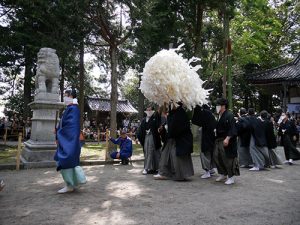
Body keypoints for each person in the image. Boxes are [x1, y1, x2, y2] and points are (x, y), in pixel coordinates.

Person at [54, 89, 87, 194]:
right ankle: (73, 183)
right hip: (67, 140)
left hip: (69, 141)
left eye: (66, 95)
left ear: (71, 96)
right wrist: (58, 129)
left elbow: (71, 127)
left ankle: (70, 184)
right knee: (64, 160)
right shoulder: (70, 108)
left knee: (65, 160)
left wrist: (60, 132)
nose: (64, 98)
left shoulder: (73, 108)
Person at [154, 102, 194, 181]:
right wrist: (164, 128)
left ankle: (181, 175)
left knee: (177, 158)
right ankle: (164, 173)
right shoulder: (172, 113)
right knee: (165, 155)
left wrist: (168, 129)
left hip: (180, 140)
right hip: (171, 139)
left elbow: (177, 127)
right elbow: (169, 124)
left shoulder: (181, 113)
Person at [213, 98, 239, 185]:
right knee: (217, 157)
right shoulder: (219, 115)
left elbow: (232, 129)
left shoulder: (229, 115)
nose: (216, 107)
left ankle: (231, 177)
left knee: (227, 159)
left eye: (218, 105)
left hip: (227, 140)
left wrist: (227, 138)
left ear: (223, 106)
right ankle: (223, 173)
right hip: (218, 139)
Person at [192, 104, 216, 179]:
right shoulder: (211, 114)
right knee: (210, 153)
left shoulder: (205, 113)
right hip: (211, 137)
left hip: (206, 137)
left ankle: (207, 171)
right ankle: (211, 169)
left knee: (204, 154)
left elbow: (195, 121)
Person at [137, 106, 162, 175]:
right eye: (147, 110)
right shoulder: (144, 119)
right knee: (148, 152)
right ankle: (148, 168)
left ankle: (155, 168)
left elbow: (158, 118)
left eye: (150, 110)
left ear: (153, 111)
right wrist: (139, 137)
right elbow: (140, 130)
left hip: (154, 138)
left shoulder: (155, 117)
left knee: (155, 153)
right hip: (146, 137)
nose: (149, 111)